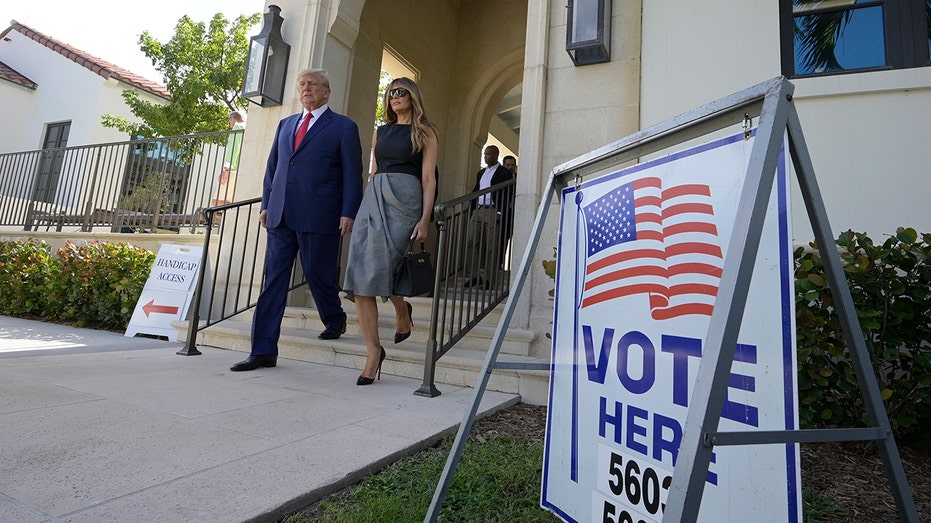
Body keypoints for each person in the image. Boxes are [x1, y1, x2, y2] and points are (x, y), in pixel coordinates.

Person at [231, 69, 363, 372]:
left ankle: (335, 318)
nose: (306, 89)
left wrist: (348, 212)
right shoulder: (285, 124)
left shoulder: (343, 127)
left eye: (312, 85)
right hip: (281, 215)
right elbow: (273, 168)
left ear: (326, 92)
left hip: (320, 214)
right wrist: (267, 204)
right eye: (302, 85)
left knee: (318, 274)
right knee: (273, 282)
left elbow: (352, 175)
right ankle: (263, 350)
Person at [342, 77, 438, 385]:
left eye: (401, 91)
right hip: (375, 197)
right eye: (390, 93)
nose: (394, 96)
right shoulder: (379, 133)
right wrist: (363, 205)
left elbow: (428, 179)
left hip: (405, 201)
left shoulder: (424, 132)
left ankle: (401, 308)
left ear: (412, 96)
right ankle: (373, 352)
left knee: (387, 267)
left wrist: (425, 218)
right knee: (360, 274)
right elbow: (372, 170)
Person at [463, 145, 514, 289]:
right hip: (478, 211)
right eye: (484, 154)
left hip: (493, 211)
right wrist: (471, 208)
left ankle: (489, 280)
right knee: (471, 241)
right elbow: (476, 190)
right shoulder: (481, 173)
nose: (485, 157)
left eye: (488, 154)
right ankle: (474, 276)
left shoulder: (504, 173)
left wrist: (500, 212)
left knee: (492, 246)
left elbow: (507, 193)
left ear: (496, 155)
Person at [214, 111, 245, 206]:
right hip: (239, 169)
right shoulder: (246, 127)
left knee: (216, 201)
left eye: (229, 120)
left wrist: (226, 169)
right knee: (228, 201)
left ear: (233, 119)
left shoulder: (237, 127)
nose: (230, 124)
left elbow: (234, 148)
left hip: (232, 169)